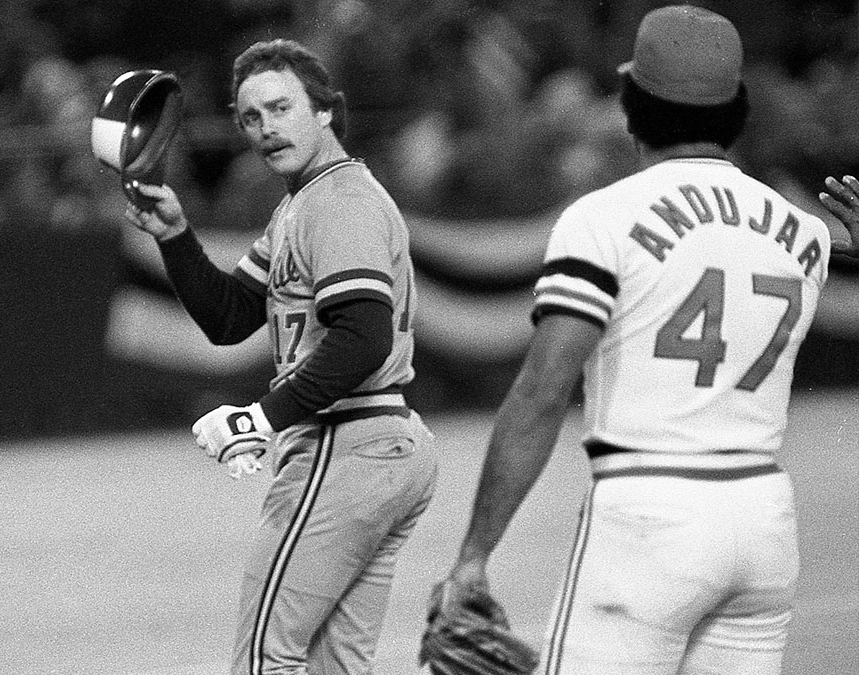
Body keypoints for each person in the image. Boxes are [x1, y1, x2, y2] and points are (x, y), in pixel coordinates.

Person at [430, 5, 859, 675]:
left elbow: (542, 392)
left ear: (633, 105)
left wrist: (474, 552)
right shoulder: (804, 230)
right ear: (736, 108)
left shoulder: (600, 219)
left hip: (648, 514)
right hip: (763, 519)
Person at [125, 38, 438, 675]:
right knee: (332, 667)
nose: (267, 128)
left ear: (325, 111)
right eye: (251, 117)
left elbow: (363, 336)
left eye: (281, 107)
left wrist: (258, 418)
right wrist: (177, 237)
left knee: (267, 659)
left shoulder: (338, 201)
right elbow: (231, 316)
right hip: (381, 445)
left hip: (345, 443)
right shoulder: (305, 202)